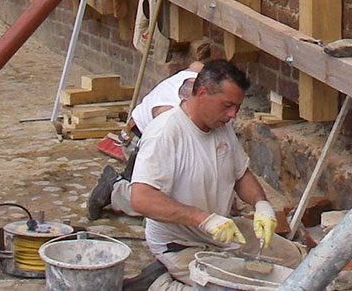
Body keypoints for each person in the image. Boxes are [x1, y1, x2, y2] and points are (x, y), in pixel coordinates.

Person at [129, 60, 305, 290]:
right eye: (227, 106)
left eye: (237, 108)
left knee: (298, 263)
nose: (232, 115)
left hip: (224, 232)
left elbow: (241, 175)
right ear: (202, 93)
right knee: (230, 288)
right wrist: (203, 219)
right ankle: (159, 282)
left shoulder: (221, 125)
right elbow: (140, 198)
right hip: (180, 242)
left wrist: (262, 205)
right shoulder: (166, 132)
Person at [89, 40, 217, 220]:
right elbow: (164, 145)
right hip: (138, 140)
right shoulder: (171, 114)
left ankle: (130, 179)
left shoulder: (201, 73)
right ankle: (115, 189)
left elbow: (196, 64)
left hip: (142, 132)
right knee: (163, 205)